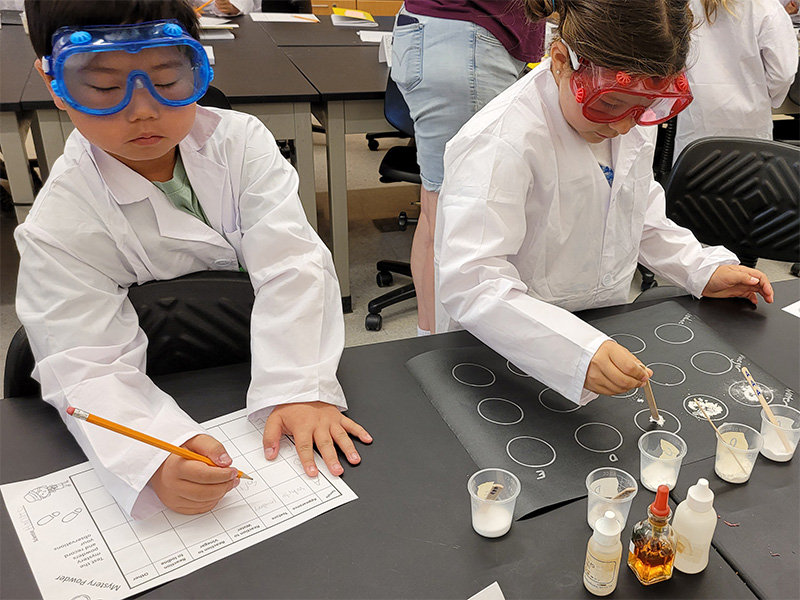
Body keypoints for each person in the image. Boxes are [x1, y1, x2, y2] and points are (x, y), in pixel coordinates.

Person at [17, 0, 371, 520]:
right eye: (103, 86)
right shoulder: (60, 221)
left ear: (198, 66)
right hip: (163, 385)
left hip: (260, 358)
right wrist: (153, 453)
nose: (142, 110)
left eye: (167, 77)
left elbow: (293, 264)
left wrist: (298, 390)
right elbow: (83, 361)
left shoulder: (241, 141)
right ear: (54, 83)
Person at [434, 0, 775, 407]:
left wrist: (700, 268)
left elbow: (637, 212)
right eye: (610, 105)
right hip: (505, 347)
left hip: (600, 329)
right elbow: (473, 283)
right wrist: (573, 351)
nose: (623, 125)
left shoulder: (625, 117)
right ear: (561, 60)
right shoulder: (500, 142)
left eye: (646, 109)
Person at [391, 1, 546, 336]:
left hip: (461, 36)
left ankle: (429, 341)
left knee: (438, 216)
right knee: (453, 223)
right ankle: (438, 352)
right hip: (467, 40)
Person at [673, 0, 797, 161]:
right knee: (747, 178)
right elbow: (783, 74)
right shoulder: (766, 8)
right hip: (749, 121)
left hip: (697, 118)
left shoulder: (687, 5)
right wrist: (762, 96)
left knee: (695, 176)